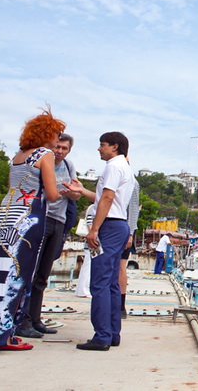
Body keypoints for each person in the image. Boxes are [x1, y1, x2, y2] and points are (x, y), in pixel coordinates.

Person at [0, 109, 65, 351]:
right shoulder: (44, 154)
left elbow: (13, 187)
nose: (58, 140)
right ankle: (3, 336)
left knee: (1, 272)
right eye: (56, 134)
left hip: (8, 213)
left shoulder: (18, 156)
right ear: (46, 134)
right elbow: (52, 194)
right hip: (29, 216)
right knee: (20, 274)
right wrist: (68, 192)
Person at [64, 131, 135, 351]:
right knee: (111, 282)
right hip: (119, 224)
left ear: (114, 146)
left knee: (99, 283)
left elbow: (107, 198)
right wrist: (82, 190)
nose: (99, 148)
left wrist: (94, 229)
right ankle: (112, 333)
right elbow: (106, 199)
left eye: (102, 144)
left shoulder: (113, 167)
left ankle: (101, 336)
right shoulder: (125, 168)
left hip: (109, 226)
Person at [17, 132, 81, 339]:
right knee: (31, 271)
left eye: (64, 148)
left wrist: (72, 193)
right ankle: (22, 320)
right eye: (57, 147)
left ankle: (35, 319)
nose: (59, 151)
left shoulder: (69, 166)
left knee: (43, 274)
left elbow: (76, 193)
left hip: (59, 221)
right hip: (41, 218)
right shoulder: (42, 160)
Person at [119, 178, 141, 319]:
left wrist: (131, 233)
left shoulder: (131, 181)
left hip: (122, 229)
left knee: (121, 266)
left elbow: (133, 209)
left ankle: (120, 306)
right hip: (108, 227)